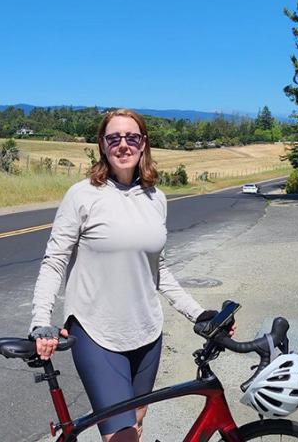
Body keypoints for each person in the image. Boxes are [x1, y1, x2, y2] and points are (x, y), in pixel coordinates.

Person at [29, 108, 232, 442]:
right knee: (121, 436)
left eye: (131, 137)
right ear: (102, 145)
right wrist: (41, 321)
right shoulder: (82, 195)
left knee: (135, 425)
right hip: (97, 334)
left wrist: (198, 313)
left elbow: (159, 268)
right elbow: (54, 262)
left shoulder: (156, 198)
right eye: (114, 138)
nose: (123, 145)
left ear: (143, 144)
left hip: (147, 334)